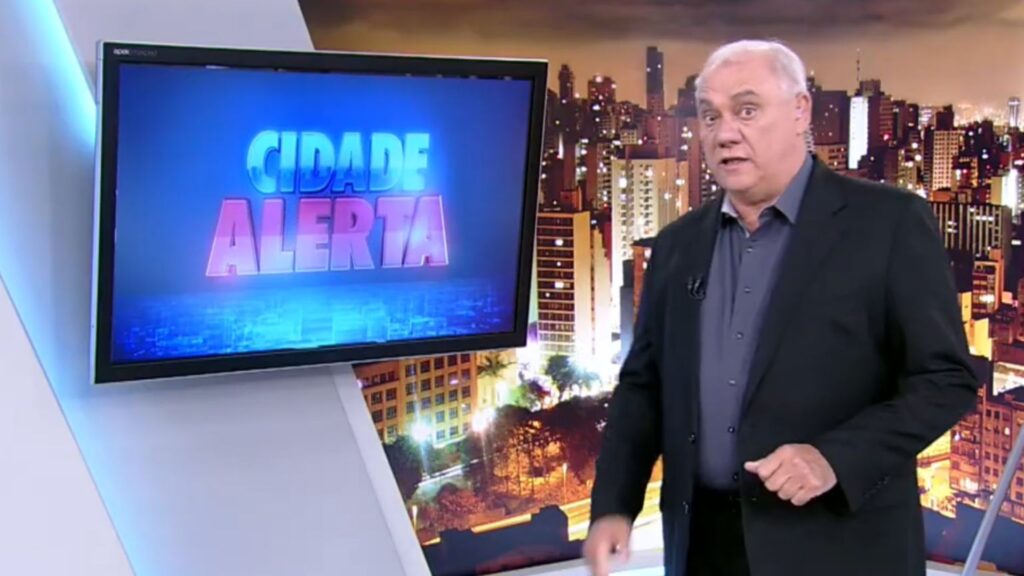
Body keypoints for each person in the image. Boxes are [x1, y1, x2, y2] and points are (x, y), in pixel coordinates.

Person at [582, 39, 980, 576]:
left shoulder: (888, 224)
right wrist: (614, 506)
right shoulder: (677, 245)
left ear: (800, 111)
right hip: (703, 548)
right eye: (710, 116)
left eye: (747, 110)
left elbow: (946, 379)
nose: (725, 133)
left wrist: (835, 457)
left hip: (838, 549)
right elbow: (643, 388)